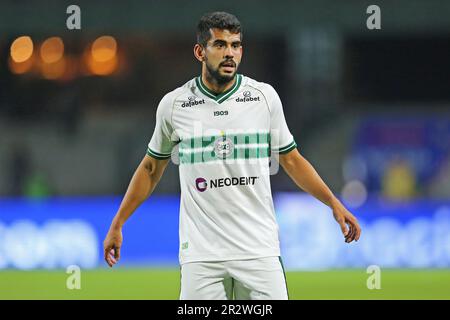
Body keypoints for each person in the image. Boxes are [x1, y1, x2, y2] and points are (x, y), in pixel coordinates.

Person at [103, 11, 361, 300]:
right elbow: (151, 169)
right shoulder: (174, 105)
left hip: (258, 251)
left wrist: (333, 203)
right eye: (220, 45)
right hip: (202, 257)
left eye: (236, 45)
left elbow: (291, 159)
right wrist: (118, 223)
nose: (230, 54)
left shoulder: (264, 98)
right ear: (200, 51)